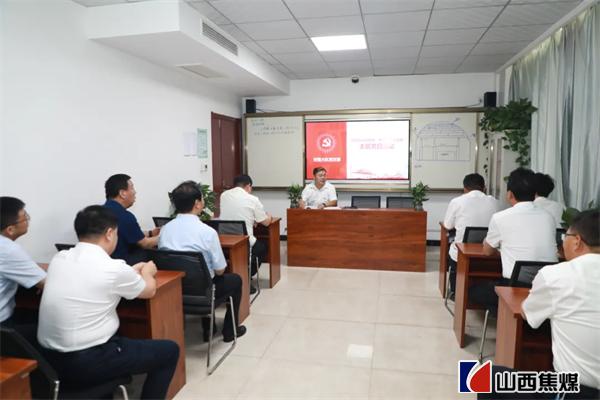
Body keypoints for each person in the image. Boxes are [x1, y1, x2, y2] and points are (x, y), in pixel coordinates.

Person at [37, 206, 179, 400]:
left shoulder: (60, 258)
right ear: (110, 233)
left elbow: (94, 278)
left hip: (48, 360)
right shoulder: (113, 268)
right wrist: (148, 272)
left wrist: (130, 271)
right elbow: (149, 290)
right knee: (169, 351)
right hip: (87, 360)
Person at [478, 210, 600, 399]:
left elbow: (527, 314)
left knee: (488, 378)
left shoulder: (556, 275)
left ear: (577, 241)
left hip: (574, 389)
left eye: (565, 237)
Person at [158, 181, 246, 343]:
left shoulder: (165, 230)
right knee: (234, 280)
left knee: (203, 277)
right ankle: (229, 331)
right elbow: (220, 270)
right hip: (204, 292)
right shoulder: (207, 232)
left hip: (173, 290)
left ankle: (208, 327)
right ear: (197, 204)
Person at [471, 168, 558, 310]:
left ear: (510, 194)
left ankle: (503, 314)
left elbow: (487, 251)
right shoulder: (548, 217)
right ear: (534, 194)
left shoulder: (500, 217)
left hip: (514, 288)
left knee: (474, 291)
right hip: (546, 289)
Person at [0, 197, 46, 343]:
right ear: (10, 229)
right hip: (3, 327)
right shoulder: (8, 249)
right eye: (25, 218)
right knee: (51, 331)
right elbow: (47, 284)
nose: (27, 221)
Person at [443, 173, 498, 295]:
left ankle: (455, 291)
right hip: (488, 253)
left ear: (465, 188)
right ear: (484, 188)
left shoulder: (457, 201)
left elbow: (447, 225)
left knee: (453, 248)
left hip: (463, 254)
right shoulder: (494, 201)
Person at [219, 174, 272, 293]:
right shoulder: (252, 199)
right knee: (262, 248)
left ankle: (238, 273)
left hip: (225, 240)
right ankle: (246, 276)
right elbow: (266, 222)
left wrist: (252, 219)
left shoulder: (224, 195)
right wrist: (268, 216)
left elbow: (236, 212)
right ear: (248, 186)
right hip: (244, 242)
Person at [103, 174, 159, 264]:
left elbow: (125, 233)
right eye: (132, 188)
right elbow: (145, 244)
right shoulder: (124, 216)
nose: (135, 192)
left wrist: (151, 233)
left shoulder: (100, 211)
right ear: (122, 193)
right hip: (123, 264)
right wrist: (164, 235)